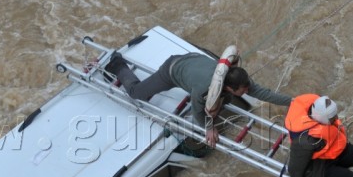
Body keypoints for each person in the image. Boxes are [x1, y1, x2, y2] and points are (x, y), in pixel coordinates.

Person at [104, 51, 292, 148]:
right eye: (243, 91)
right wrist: (209, 128)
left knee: (218, 103)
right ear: (230, 88)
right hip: (172, 70)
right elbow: (197, 110)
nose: (247, 91)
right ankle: (118, 64)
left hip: (195, 61)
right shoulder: (204, 90)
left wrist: (292, 101)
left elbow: (264, 93)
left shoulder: (238, 77)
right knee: (137, 93)